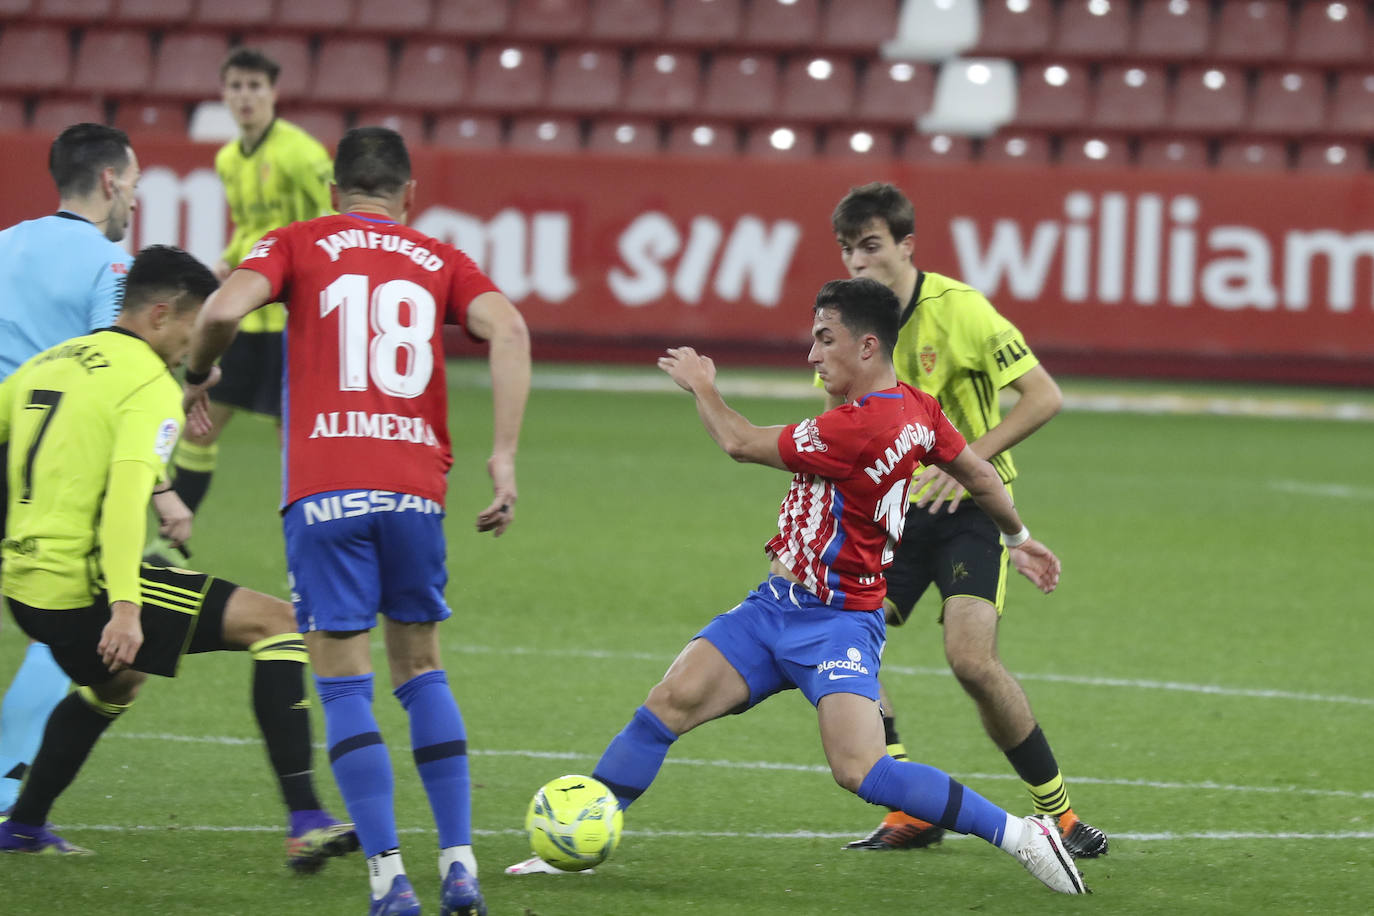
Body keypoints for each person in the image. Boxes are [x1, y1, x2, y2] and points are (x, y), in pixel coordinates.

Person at [511, 277, 1088, 895]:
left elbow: (739, 442)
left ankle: (1023, 835)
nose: (812, 354)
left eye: (824, 339)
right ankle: (575, 839)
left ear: (867, 347)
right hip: (772, 608)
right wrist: (1016, 536)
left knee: (861, 770)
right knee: (668, 704)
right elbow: (976, 472)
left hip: (837, 622)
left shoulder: (862, 427)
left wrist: (704, 387)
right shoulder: (917, 408)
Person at [183, 126, 530, 916]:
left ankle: (389, 881)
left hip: (325, 491)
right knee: (422, 669)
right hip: (414, 488)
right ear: (410, 195)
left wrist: (200, 371)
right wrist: (502, 456)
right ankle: (460, 866)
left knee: (345, 685)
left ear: (333, 192)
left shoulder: (298, 240)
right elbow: (509, 328)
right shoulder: (438, 257)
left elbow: (224, 305)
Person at [0, 245, 357, 873]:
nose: (203, 345)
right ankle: (306, 819)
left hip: (25, 584)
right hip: (83, 589)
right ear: (163, 314)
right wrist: (126, 607)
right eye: (199, 328)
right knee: (277, 624)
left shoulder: (48, 363)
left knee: (117, 681)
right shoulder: (146, 384)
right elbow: (121, 503)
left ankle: (23, 826)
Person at [828, 182, 1107, 858]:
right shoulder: (846, 323)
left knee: (971, 661)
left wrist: (963, 462)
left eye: (871, 247)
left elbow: (1044, 397)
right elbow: (842, 424)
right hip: (892, 514)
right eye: (847, 250)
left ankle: (1061, 816)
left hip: (973, 510)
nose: (859, 263)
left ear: (905, 245)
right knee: (840, 640)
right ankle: (911, 807)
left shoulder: (963, 311)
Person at [0, 123, 171, 814]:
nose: (133, 196)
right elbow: (117, 369)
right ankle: (10, 778)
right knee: (65, 622)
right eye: (132, 182)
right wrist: (159, 488)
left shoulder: (5, 244)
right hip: (53, 470)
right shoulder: (112, 268)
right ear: (109, 182)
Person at [165, 47, 333, 524]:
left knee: (295, 439)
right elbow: (247, 225)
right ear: (224, 94)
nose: (245, 97)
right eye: (236, 87)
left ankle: (314, 540)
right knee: (199, 426)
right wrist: (230, 256)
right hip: (245, 318)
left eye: (255, 87)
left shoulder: (301, 153)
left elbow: (333, 221)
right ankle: (172, 541)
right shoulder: (227, 160)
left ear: (273, 93)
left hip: (292, 318)